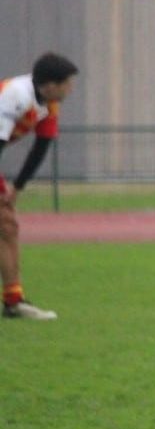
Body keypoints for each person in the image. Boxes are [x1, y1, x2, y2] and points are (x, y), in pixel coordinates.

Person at [0, 52, 77, 320]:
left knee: (7, 226)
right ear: (51, 85)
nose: (72, 88)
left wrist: (16, 189)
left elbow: (42, 145)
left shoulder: (49, 103)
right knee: (5, 224)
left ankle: (13, 302)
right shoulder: (15, 95)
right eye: (68, 83)